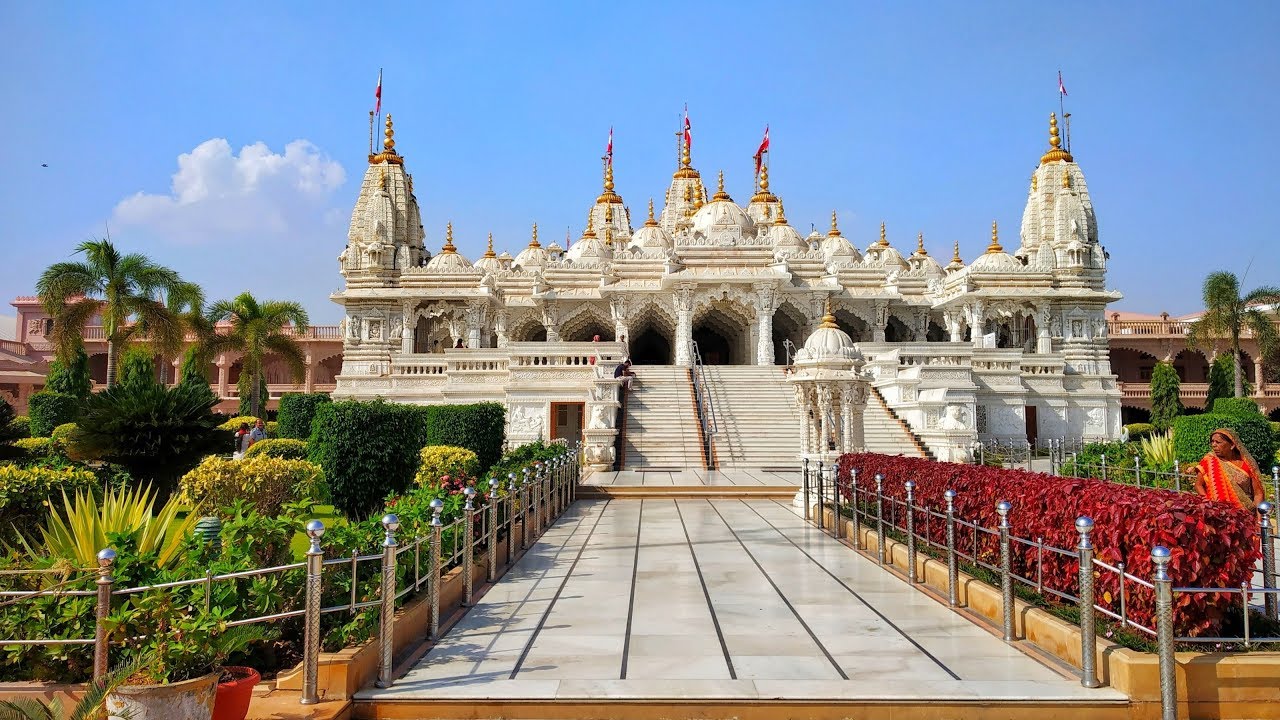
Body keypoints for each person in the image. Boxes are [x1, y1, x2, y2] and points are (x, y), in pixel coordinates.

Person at [1187, 428, 1266, 511]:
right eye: (1212, 441)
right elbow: (1198, 485)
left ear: (1232, 445)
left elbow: (1258, 494)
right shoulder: (1209, 460)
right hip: (1216, 512)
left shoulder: (1247, 464)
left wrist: (1259, 519)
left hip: (1245, 513)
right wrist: (1209, 503)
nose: (1214, 445)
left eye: (1218, 442)